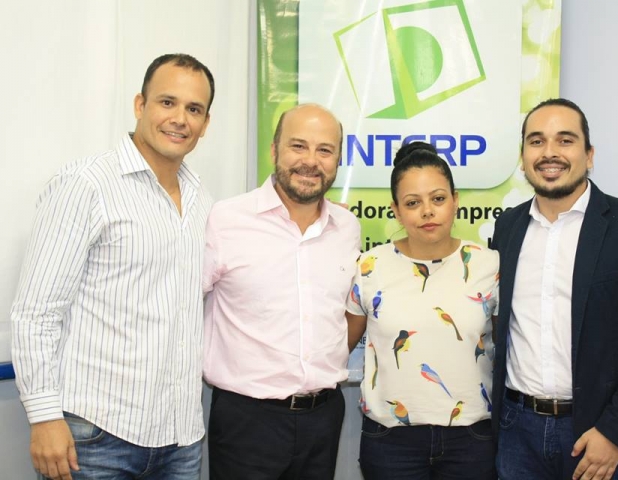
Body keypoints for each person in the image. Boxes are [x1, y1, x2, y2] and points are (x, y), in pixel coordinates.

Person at [11, 53, 215, 480]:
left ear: (205, 123)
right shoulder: (86, 185)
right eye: (167, 102)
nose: (180, 119)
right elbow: (36, 312)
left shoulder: (202, 200)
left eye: (194, 109)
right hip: (94, 439)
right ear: (140, 105)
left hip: (180, 438)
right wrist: (44, 416)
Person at [491, 98, 618, 480]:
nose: (549, 152)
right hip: (515, 431)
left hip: (597, 432)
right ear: (523, 157)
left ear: (589, 155)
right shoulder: (507, 228)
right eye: (536, 141)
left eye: (565, 140)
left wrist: (615, 432)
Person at [202, 103, 361, 479]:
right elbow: (180, 307)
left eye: (325, 150)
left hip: (324, 418)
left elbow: (348, 312)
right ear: (274, 150)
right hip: (246, 421)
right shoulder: (226, 220)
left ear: (338, 160)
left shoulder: (347, 227)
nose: (311, 161)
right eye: (298, 146)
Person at [346, 141, 499, 479]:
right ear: (396, 210)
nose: (427, 212)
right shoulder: (370, 266)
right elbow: (340, 345)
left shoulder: (488, 264)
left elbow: (510, 347)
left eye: (438, 199)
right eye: (413, 203)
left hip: (471, 438)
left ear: (455, 200)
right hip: (390, 441)